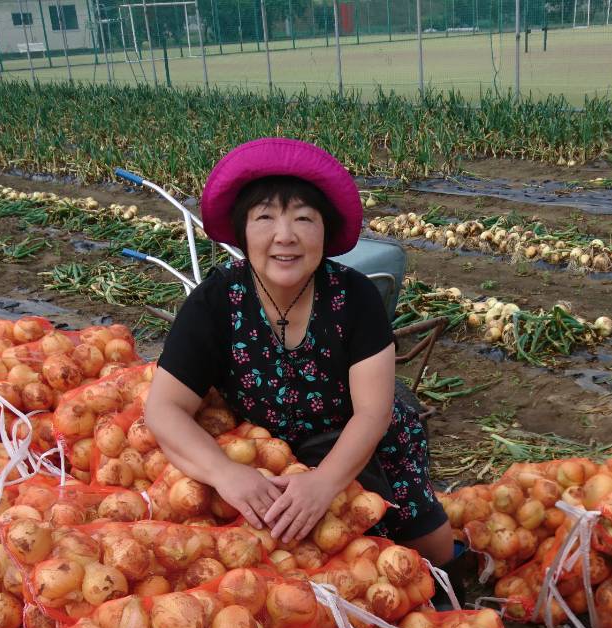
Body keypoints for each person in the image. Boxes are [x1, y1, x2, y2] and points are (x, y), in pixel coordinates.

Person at [145, 137, 457, 571]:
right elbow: (163, 408)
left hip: (360, 446)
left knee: (433, 556)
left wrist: (325, 483)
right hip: (266, 460)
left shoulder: (355, 297)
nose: (285, 236)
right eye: (265, 217)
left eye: (304, 219)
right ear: (242, 231)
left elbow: (371, 414)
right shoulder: (215, 301)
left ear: (324, 232)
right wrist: (225, 473)